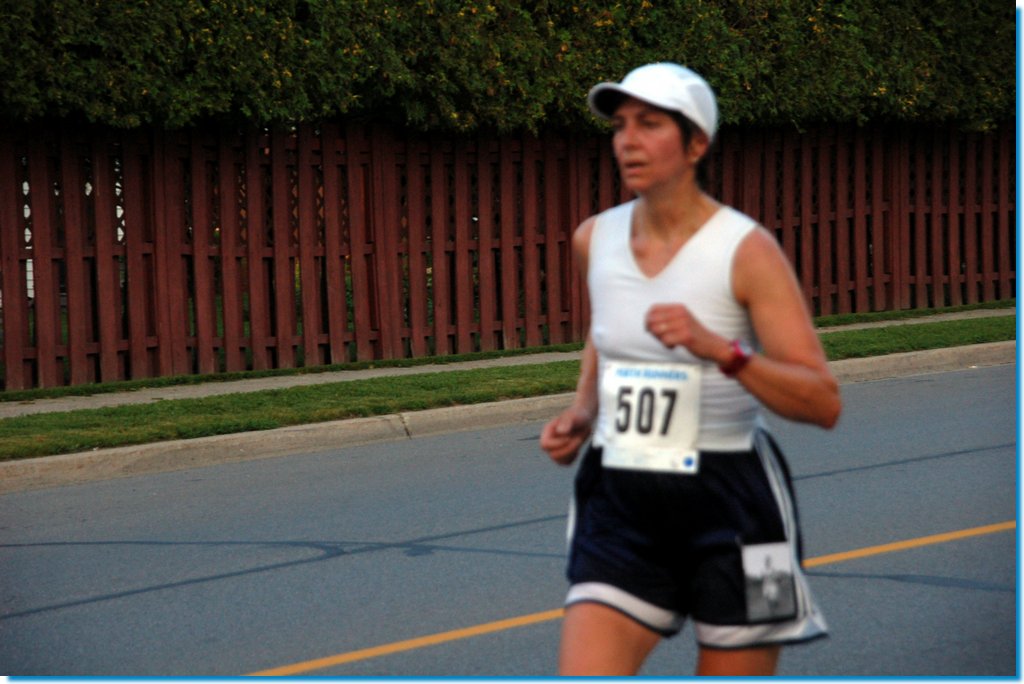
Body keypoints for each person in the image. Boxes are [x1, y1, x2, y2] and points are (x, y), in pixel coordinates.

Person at [539, 62, 842, 677]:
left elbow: (822, 402)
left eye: (649, 124)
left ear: (696, 143)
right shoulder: (594, 238)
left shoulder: (745, 249)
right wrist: (585, 410)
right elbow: (606, 333)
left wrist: (723, 351)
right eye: (620, 125)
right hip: (620, 494)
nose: (627, 141)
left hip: (736, 505)